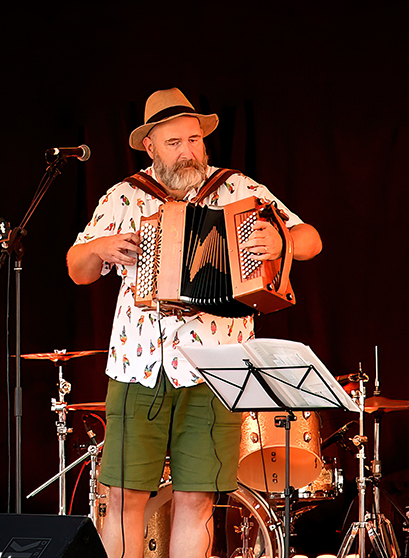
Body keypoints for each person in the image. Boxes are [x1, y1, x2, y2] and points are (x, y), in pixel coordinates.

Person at [66, 87, 322, 557]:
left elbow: (310, 239)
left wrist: (278, 236)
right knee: (123, 495)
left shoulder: (239, 190)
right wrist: (100, 249)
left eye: (194, 140)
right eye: (174, 143)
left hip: (216, 367)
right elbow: (77, 267)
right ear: (150, 147)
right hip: (139, 366)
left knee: (197, 498)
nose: (188, 152)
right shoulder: (124, 196)